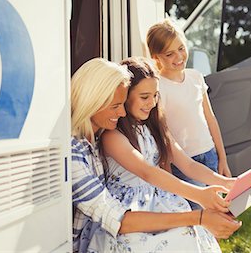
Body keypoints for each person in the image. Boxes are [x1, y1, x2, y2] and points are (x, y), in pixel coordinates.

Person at [71, 58, 241, 253]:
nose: (152, 103)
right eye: (144, 97)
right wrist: (198, 195)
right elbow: (147, 172)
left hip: (155, 202)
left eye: (155, 96)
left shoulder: (154, 127)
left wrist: (227, 183)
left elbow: (188, 165)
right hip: (129, 207)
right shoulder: (110, 137)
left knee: (192, 235)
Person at [146, 19, 232, 208]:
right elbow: (163, 132)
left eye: (181, 48)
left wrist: (222, 158)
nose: (178, 56)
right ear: (156, 57)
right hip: (184, 162)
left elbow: (210, 118)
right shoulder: (158, 86)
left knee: (218, 208)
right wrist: (167, 168)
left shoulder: (195, 77)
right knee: (197, 213)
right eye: (169, 54)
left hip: (209, 154)